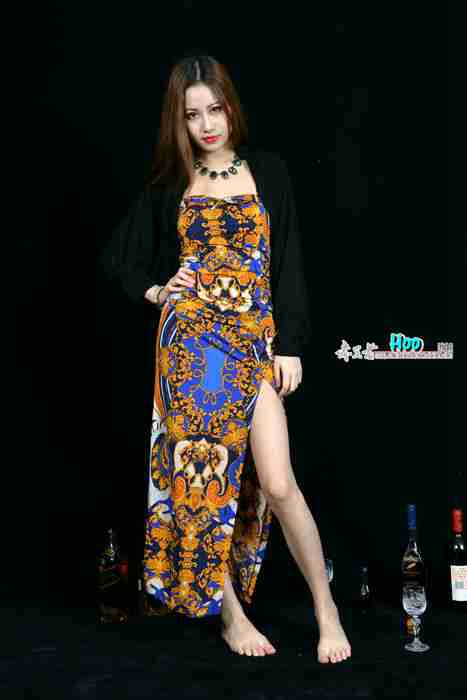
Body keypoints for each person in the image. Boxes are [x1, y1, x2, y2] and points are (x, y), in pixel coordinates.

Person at [99, 54, 351, 664]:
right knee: (201, 488)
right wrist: (159, 291)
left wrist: (290, 344)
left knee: (279, 483)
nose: (207, 125)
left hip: (251, 343)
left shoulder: (269, 171)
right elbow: (120, 258)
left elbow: (288, 261)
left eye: (215, 109)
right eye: (192, 115)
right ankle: (231, 616)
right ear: (178, 121)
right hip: (192, 350)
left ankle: (327, 610)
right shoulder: (170, 185)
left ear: (231, 106)